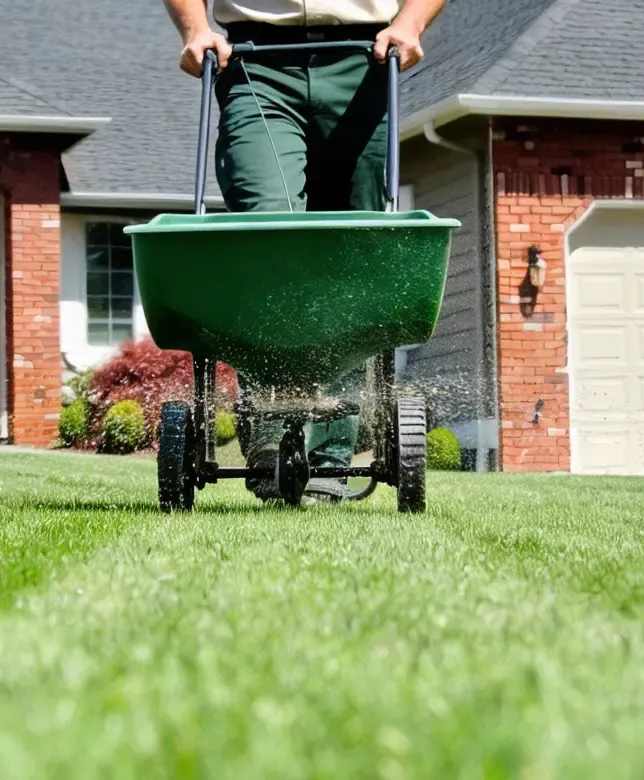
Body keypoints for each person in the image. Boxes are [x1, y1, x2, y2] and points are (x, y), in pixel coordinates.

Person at [163, 0, 447, 502]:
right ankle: (269, 442)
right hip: (256, 62)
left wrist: (411, 21)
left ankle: (331, 458)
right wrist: (195, 26)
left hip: (366, 61)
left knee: (353, 250)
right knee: (269, 237)